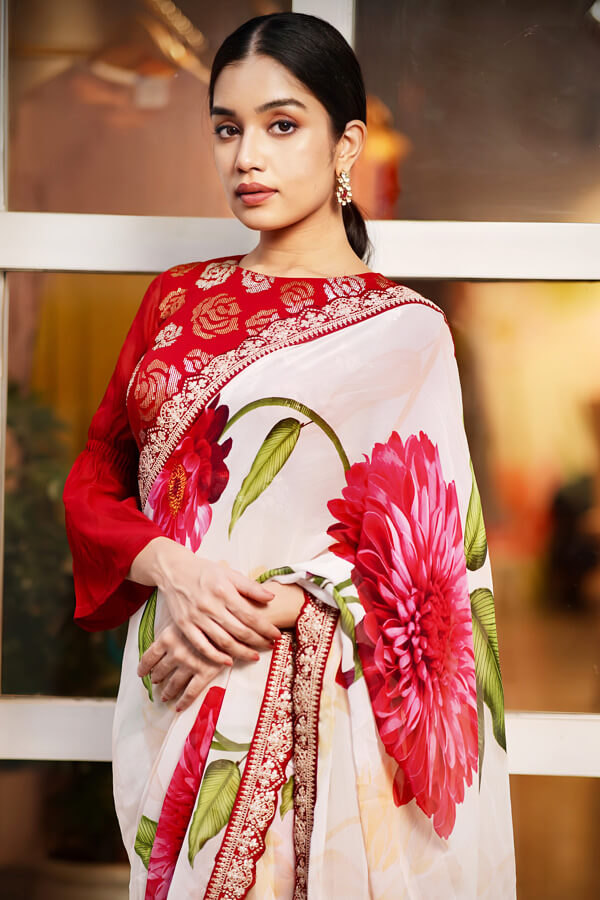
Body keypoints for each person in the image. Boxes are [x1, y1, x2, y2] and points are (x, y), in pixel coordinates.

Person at [63, 12, 516, 899]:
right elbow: (94, 482)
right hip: (177, 689)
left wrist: (283, 604)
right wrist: (172, 567)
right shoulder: (174, 303)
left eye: (281, 125)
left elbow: (433, 570)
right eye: (226, 129)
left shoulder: (406, 335)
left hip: (317, 706)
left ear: (346, 145)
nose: (246, 157)